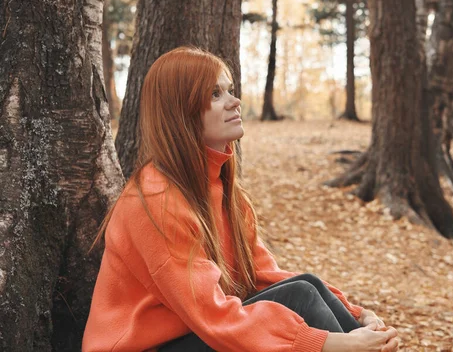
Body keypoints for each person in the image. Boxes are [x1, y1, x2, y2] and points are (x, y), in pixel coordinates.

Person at [83, 47, 399, 352]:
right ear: (181, 110)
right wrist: (332, 344)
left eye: (229, 90)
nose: (235, 102)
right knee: (302, 298)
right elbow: (214, 315)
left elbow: (263, 276)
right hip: (153, 345)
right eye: (214, 94)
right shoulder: (154, 201)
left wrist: (359, 318)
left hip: (196, 336)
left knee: (306, 287)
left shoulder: (220, 191)